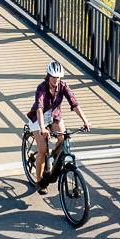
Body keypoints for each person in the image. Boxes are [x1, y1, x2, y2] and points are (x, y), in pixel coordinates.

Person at [27, 61, 88, 193]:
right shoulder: (41, 88)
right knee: (42, 150)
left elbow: (74, 104)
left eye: (58, 77)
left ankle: (55, 155)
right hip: (39, 118)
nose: (56, 80)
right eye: (53, 77)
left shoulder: (63, 86)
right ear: (48, 76)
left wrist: (85, 121)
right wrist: (43, 128)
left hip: (54, 116)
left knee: (63, 138)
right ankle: (39, 181)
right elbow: (39, 108)